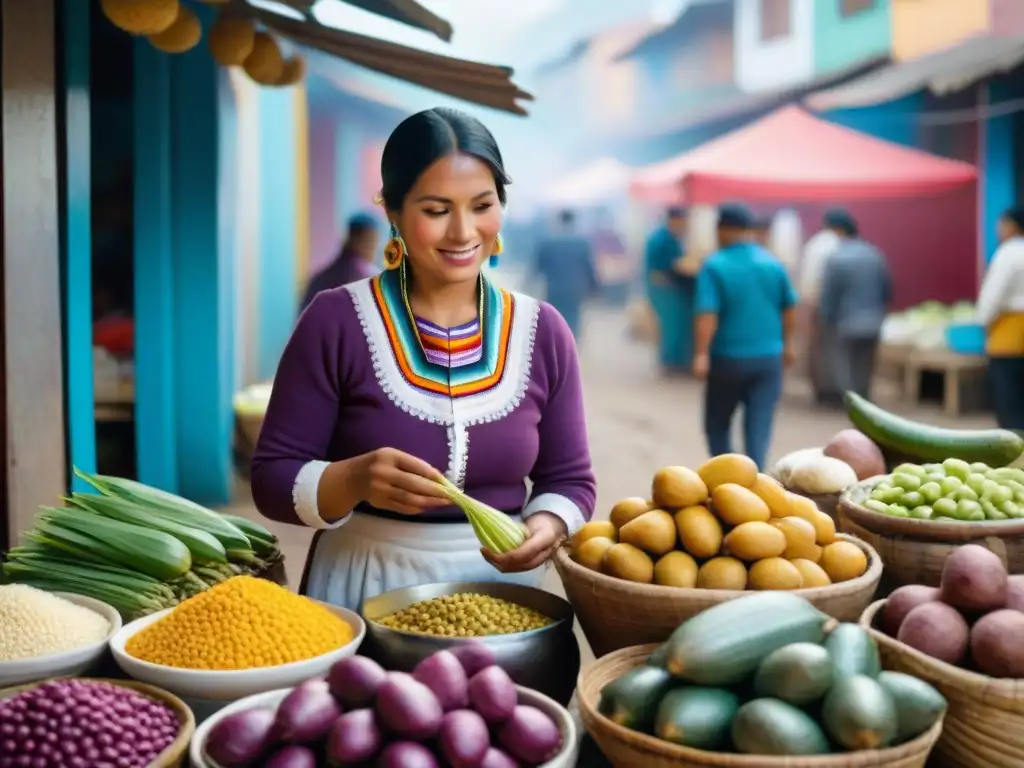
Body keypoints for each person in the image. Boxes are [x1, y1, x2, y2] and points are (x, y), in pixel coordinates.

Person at [250, 107, 596, 611]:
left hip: (504, 599)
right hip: (363, 587)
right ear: (392, 211)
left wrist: (549, 524)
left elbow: (569, 478)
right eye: (436, 210)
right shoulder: (336, 321)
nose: (462, 232)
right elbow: (271, 479)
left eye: (482, 205)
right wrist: (351, 479)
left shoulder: (543, 331)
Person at [693, 203, 798, 470]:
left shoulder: (714, 265)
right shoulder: (772, 263)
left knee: (717, 424)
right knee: (759, 426)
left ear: (723, 229)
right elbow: (789, 307)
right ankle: (754, 482)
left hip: (728, 358)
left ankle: (727, 480)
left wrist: (702, 354)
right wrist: (788, 345)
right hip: (768, 359)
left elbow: (707, 314)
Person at [818, 211, 892, 402]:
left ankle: (852, 403)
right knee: (865, 366)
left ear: (838, 230)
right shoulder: (875, 254)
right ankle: (865, 400)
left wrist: (824, 319)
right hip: (874, 321)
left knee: (845, 367)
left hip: (846, 323)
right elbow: (887, 288)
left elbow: (830, 294)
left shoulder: (836, 257)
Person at [977, 206, 1024, 430]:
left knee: (1009, 397)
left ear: (1012, 226)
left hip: (1010, 332)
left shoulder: (1009, 253)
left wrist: (983, 321)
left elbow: (992, 297)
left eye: (1002, 223)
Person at [799, 209, 847, 406]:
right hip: (824, 303)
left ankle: (820, 390)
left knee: (816, 348)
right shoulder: (833, 245)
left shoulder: (815, 243)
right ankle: (828, 391)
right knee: (827, 349)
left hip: (810, 301)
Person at [531, 209, 599, 339]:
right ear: (573, 221)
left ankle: (557, 346)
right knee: (573, 319)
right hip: (575, 289)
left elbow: (536, 268)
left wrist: (528, 286)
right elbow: (589, 267)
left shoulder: (547, 242)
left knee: (555, 318)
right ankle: (571, 347)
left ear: (559, 221)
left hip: (554, 289)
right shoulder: (582, 243)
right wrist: (595, 288)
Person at [645, 207, 694, 375]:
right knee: (672, 328)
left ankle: (676, 362)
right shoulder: (663, 239)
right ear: (674, 220)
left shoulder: (672, 238)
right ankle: (671, 364)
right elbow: (672, 266)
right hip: (664, 290)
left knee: (676, 327)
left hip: (670, 289)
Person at [300, 213, 381, 311]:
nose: (374, 249)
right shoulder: (363, 277)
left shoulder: (320, 279)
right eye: (371, 242)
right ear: (356, 240)